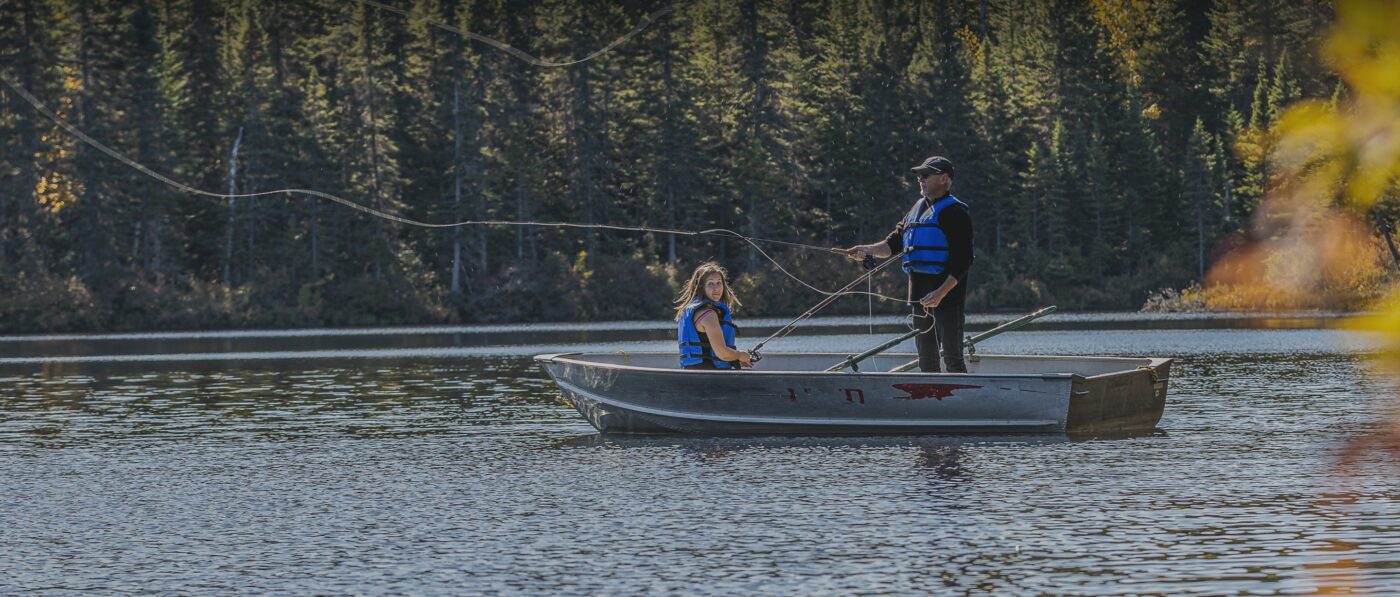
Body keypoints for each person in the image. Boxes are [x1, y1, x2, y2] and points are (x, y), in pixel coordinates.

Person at [835, 155, 973, 373]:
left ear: (944, 179)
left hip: (947, 298)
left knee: (953, 358)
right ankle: (932, 402)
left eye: (926, 175)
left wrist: (940, 293)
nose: (921, 179)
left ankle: (959, 403)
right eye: (919, 175)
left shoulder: (955, 212)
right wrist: (867, 250)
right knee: (926, 359)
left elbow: (964, 260)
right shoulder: (916, 209)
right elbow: (892, 244)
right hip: (919, 295)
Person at [674, 261, 754, 370]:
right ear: (701, 287)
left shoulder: (695, 311)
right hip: (708, 375)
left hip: (693, 371)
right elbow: (722, 353)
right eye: (710, 284)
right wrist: (740, 355)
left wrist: (735, 359)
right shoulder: (708, 315)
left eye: (719, 283)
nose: (716, 288)